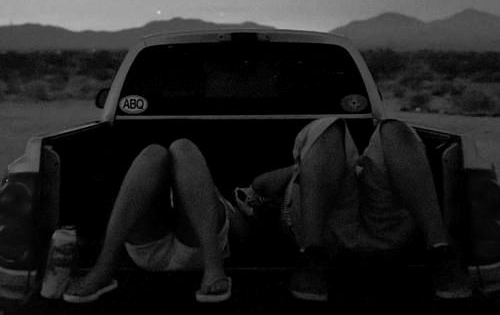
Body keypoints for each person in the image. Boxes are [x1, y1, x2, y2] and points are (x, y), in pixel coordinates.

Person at [235, 116, 473, 303]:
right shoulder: (308, 162)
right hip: (331, 232)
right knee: (326, 127)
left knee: (394, 129)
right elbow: (260, 187)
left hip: (381, 228)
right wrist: (305, 168)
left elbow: (259, 186)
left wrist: (337, 168)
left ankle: (440, 249)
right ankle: (312, 254)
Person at [63, 139, 242, 304]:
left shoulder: (206, 182)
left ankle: (214, 267)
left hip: (201, 248)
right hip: (150, 247)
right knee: (153, 153)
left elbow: (242, 230)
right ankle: (103, 269)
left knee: (183, 148)